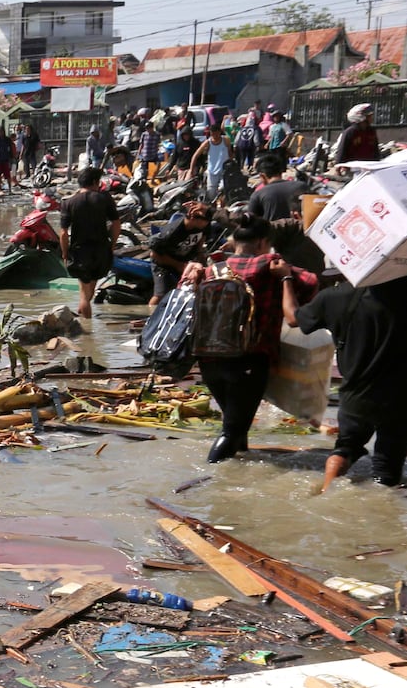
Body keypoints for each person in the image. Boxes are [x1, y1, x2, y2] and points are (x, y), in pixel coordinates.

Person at [179, 215, 317, 463]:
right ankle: (213, 478)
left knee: (236, 423)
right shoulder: (269, 264)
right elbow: (311, 283)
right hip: (248, 360)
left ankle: (238, 469)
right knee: (232, 429)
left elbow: (184, 293)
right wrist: (284, 275)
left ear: (234, 241)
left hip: (209, 360)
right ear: (264, 242)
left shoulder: (211, 269)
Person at [288, 277, 407, 491]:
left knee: (345, 448)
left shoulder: (335, 296)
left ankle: (326, 489)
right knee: (387, 463)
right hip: (399, 395)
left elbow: (293, 319)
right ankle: (381, 505)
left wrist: (285, 279)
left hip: (355, 392)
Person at [58, 166, 120, 319]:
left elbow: (63, 233)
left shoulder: (69, 202)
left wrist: (65, 252)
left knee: (84, 295)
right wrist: (112, 244)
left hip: (80, 252)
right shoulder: (104, 199)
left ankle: (86, 331)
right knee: (90, 290)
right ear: (94, 182)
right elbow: (116, 224)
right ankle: (83, 315)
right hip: (101, 251)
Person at [146, 201, 218, 306]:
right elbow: (154, 255)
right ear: (193, 218)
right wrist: (178, 265)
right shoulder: (173, 231)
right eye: (205, 221)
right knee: (160, 294)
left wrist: (201, 258)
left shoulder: (203, 226)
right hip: (163, 263)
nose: (207, 223)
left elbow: (201, 239)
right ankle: (149, 317)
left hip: (185, 262)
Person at [247, 153, 304, 221]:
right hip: (301, 231)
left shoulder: (258, 195)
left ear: (262, 176)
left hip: (271, 231)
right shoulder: (302, 186)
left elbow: (250, 223)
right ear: (280, 171)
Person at [189, 125, 232, 203]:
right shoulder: (207, 143)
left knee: (223, 189)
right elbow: (195, 155)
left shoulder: (226, 140)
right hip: (212, 172)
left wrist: (232, 165)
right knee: (211, 194)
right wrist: (191, 170)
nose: (214, 136)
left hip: (225, 171)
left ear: (219, 132)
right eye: (212, 134)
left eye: (216, 134)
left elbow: (230, 153)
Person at [0, 128, 16, 194]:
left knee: (8, 175)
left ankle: (10, 190)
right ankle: (0, 190)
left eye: (1, 131)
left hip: (6, 160)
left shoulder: (7, 140)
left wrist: (11, 158)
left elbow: (10, 149)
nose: (0, 133)